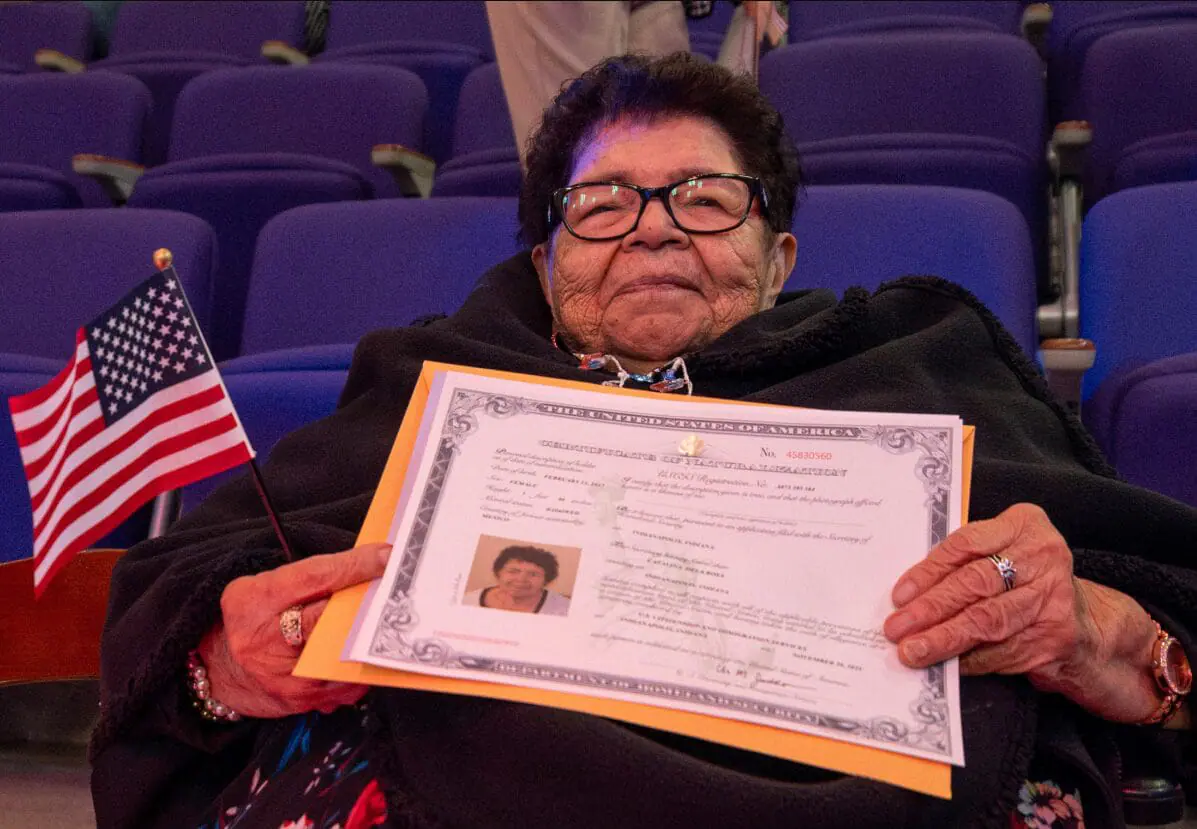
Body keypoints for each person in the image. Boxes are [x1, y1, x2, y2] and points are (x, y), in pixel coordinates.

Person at [92, 54, 1197, 829]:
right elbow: (188, 601)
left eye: (707, 199)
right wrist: (222, 662)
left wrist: (1098, 631)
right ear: (544, 264)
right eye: (605, 204)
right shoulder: (431, 385)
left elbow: (1160, 619)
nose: (656, 225)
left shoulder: (914, 366)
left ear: (779, 258)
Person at [462, 545, 573, 616]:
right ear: (498, 573)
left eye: (533, 574)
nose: (521, 579)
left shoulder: (564, 610)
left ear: (546, 580)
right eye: (513, 571)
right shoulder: (468, 601)